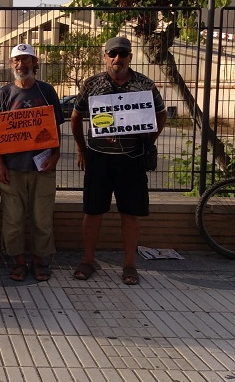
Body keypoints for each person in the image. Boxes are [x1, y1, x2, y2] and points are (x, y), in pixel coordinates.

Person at [70, 36, 167, 285]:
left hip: (131, 160)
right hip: (99, 159)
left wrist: (149, 141)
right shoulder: (92, 84)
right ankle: (88, 260)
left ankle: (129, 265)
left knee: (130, 214)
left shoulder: (144, 84)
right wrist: (82, 149)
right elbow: (75, 116)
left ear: (130, 57)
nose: (117, 59)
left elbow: (161, 113)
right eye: (112, 54)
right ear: (105, 56)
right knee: (92, 212)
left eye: (122, 54)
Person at [0, 43, 63, 282]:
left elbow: (56, 127)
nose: (22, 64)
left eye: (26, 59)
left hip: (42, 168)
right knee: (13, 219)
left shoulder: (47, 91)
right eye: (17, 60)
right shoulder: (4, 94)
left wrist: (55, 155)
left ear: (35, 63)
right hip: (12, 169)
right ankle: (18, 261)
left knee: (42, 218)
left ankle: (40, 261)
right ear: (11, 64)